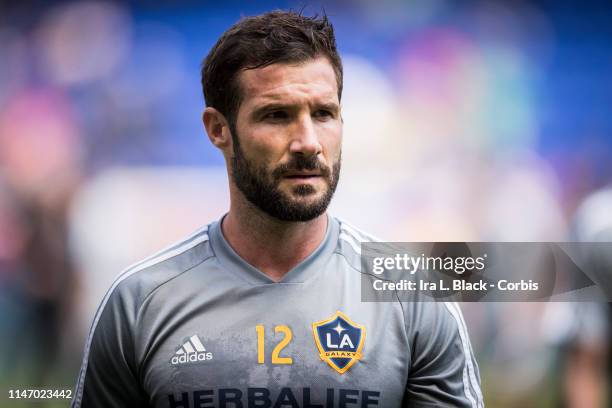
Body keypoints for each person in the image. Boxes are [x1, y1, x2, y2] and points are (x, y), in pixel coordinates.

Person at [72, 11, 483, 408]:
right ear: (218, 129)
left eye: (324, 114)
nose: (308, 142)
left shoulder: (415, 297)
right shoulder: (140, 301)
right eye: (277, 115)